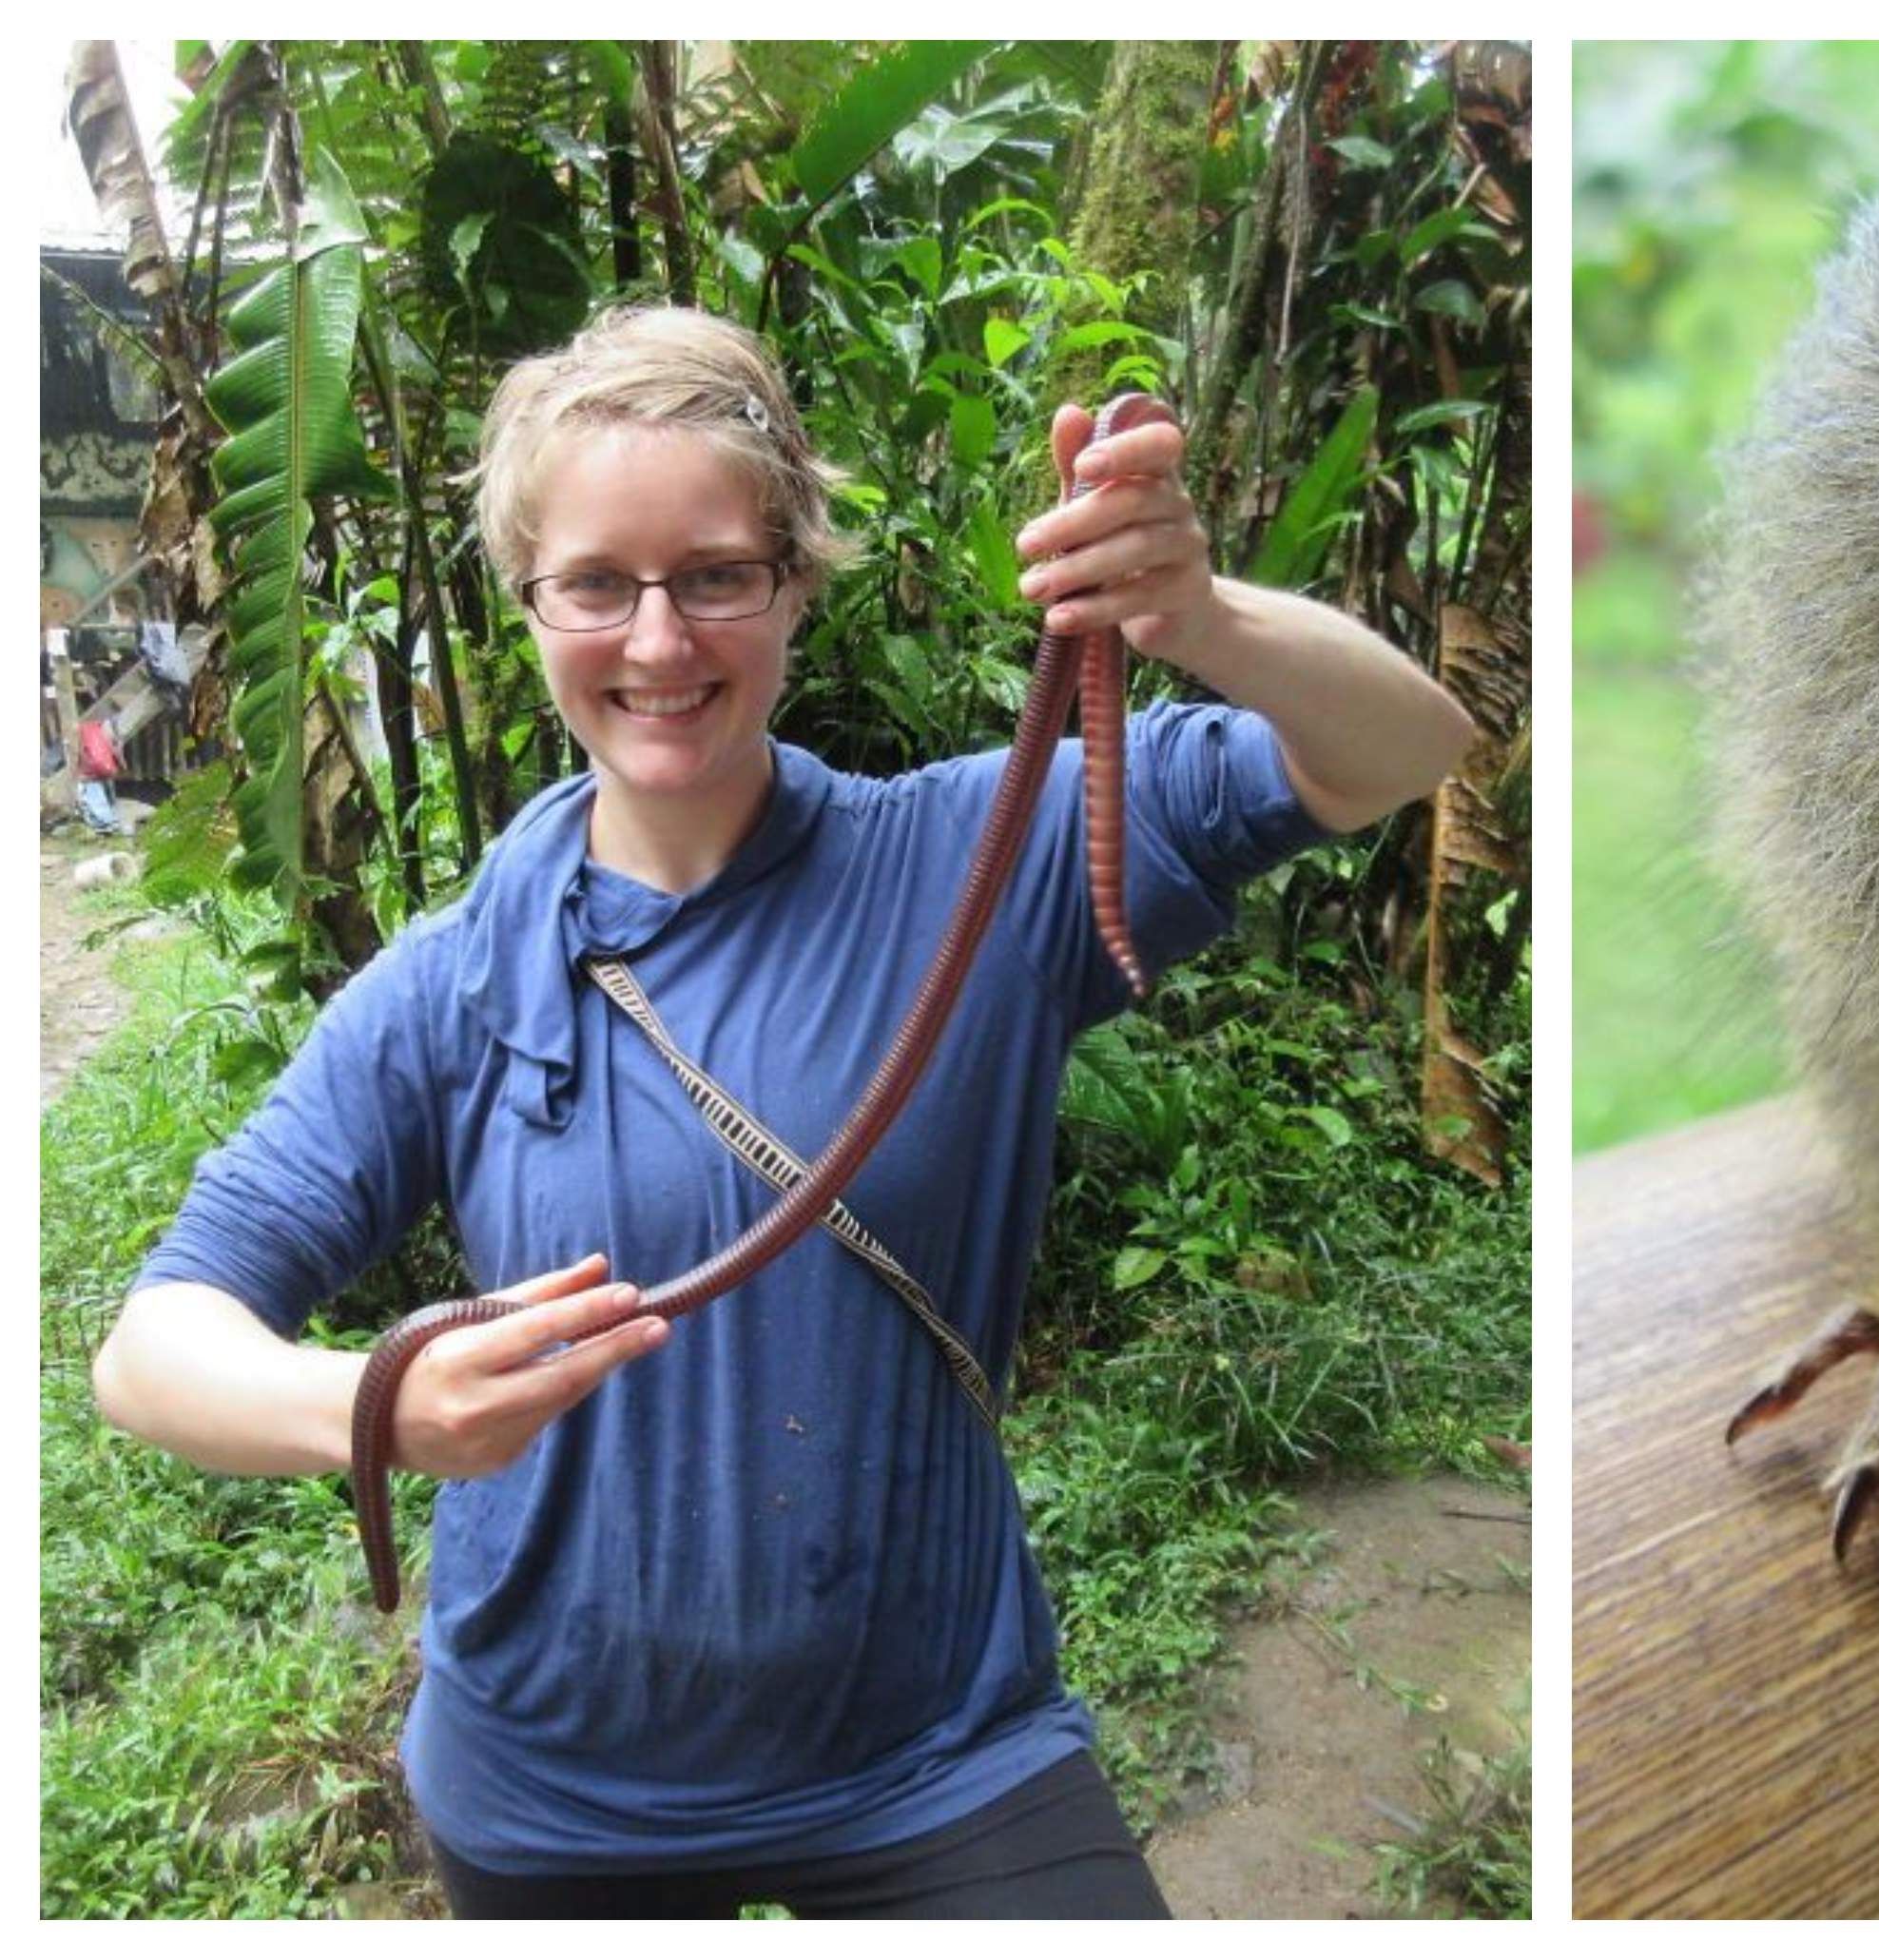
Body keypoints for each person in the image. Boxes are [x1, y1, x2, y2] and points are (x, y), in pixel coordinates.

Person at [90, 305, 1476, 1918]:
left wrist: (1200, 613)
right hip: (554, 1790)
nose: (659, 642)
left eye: (717, 575)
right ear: (530, 601)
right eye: (597, 583)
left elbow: (1406, 747)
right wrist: (378, 1411)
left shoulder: (978, 853)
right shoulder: (460, 976)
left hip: (940, 1754)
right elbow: (150, 1348)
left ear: (796, 578)